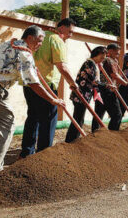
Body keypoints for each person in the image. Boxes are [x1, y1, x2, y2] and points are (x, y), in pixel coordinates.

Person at [0, 26, 65, 178]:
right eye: (39, 41)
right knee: (6, 125)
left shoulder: (8, 44)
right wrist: (52, 99)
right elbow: (33, 84)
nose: (40, 44)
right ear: (30, 38)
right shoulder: (24, 54)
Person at [20, 17, 78, 158]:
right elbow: (62, 66)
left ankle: (26, 152)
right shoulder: (56, 40)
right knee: (49, 119)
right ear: (62, 27)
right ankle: (44, 155)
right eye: (69, 32)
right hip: (46, 85)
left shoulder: (40, 36)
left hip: (29, 84)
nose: (70, 35)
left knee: (32, 117)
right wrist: (72, 82)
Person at [65, 46, 107, 143]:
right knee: (78, 119)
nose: (102, 60)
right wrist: (107, 86)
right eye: (101, 57)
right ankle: (71, 140)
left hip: (84, 95)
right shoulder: (90, 63)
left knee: (79, 118)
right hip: (81, 95)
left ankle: (73, 139)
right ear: (96, 55)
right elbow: (94, 81)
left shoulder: (94, 64)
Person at [93, 43, 128, 132]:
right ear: (111, 51)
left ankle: (94, 134)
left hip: (101, 90)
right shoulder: (108, 60)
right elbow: (114, 75)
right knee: (117, 115)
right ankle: (113, 134)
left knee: (99, 114)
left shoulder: (111, 61)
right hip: (107, 89)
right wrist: (126, 83)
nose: (118, 54)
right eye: (117, 53)